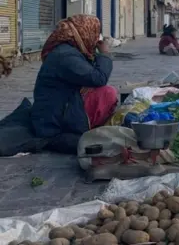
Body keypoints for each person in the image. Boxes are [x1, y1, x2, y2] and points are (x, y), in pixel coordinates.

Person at [30, 15, 118, 154]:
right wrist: (105, 54)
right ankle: (82, 129)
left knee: (100, 92)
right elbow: (98, 78)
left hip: (57, 112)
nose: (96, 39)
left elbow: (87, 73)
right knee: (107, 93)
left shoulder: (69, 51)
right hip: (54, 124)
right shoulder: (65, 56)